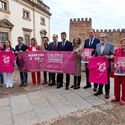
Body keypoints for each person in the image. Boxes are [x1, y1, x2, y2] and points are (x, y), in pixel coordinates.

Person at [94, 33, 114, 99]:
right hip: (99, 65)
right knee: (100, 77)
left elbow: (113, 54)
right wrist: (91, 57)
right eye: (101, 37)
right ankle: (100, 90)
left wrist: (109, 57)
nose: (102, 38)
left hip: (107, 64)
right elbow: (95, 54)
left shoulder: (110, 45)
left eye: (103, 37)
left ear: (106, 38)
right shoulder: (97, 45)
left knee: (106, 78)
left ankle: (107, 92)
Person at [111, 37, 125, 105]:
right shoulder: (117, 50)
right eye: (122, 43)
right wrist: (112, 57)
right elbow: (114, 58)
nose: (124, 44)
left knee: (124, 86)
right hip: (117, 71)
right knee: (116, 85)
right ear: (121, 43)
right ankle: (117, 97)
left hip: (124, 72)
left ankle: (123, 99)